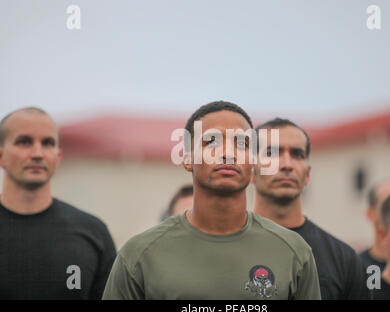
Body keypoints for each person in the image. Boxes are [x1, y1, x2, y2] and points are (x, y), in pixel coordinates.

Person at [103, 101, 321, 300]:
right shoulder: (139, 255)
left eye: (241, 144)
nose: (227, 153)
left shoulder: (294, 253)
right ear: (187, 158)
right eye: (211, 142)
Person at [0, 107, 117, 299]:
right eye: (24, 142)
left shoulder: (93, 233)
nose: (37, 153)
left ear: (58, 156)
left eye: (47, 143)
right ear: (1, 156)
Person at [252, 117, 370, 300]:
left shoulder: (343, 259)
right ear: (251, 170)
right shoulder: (226, 247)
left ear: (307, 174)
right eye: (272, 153)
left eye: (297, 154)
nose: (286, 164)